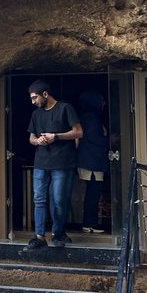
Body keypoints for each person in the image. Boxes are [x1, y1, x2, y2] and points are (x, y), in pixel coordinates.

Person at [27, 80, 82, 248]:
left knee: (58, 199)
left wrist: (55, 136)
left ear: (45, 94)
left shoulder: (65, 108)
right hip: (40, 162)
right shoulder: (36, 114)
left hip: (62, 162)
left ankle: (57, 234)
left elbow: (78, 132)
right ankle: (39, 237)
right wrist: (38, 140)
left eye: (35, 97)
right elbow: (31, 137)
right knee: (39, 199)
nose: (33, 102)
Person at [76, 90, 111, 233]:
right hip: (92, 162)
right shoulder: (91, 118)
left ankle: (90, 223)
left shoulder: (88, 117)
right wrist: (110, 140)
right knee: (93, 193)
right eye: (101, 100)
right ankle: (90, 223)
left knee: (93, 193)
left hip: (90, 161)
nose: (104, 103)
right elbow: (94, 138)